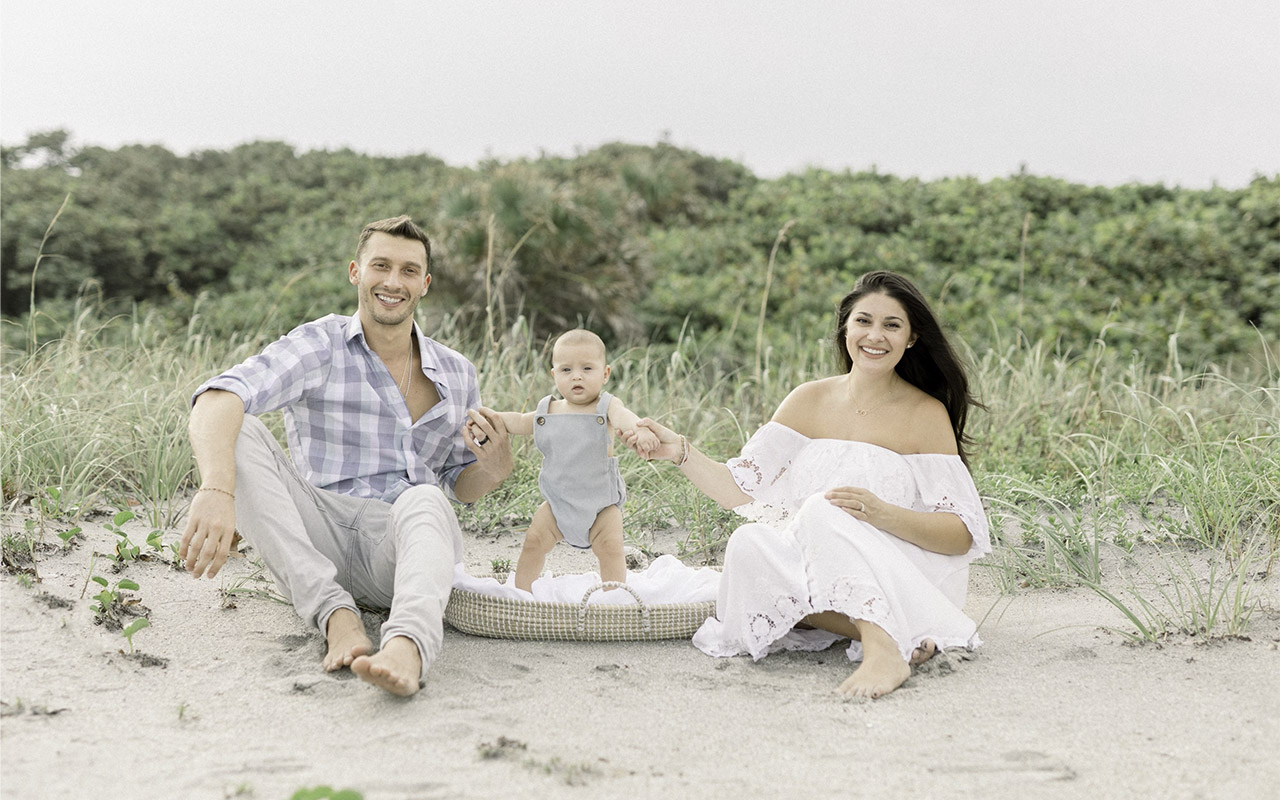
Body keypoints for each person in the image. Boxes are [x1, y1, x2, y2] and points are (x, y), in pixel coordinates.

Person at [179, 215, 512, 697]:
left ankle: (407, 646)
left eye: (408, 271)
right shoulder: (319, 344)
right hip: (320, 532)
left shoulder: (457, 372)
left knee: (425, 497)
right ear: (356, 272)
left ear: (425, 283)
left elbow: (459, 482)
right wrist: (216, 488)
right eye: (381, 265)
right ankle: (336, 614)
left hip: (396, 547)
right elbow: (218, 397)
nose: (393, 282)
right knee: (240, 428)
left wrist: (493, 471)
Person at [623, 270, 990, 700]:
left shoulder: (925, 414)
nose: (875, 336)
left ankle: (880, 649)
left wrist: (881, 513)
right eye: (863, 321)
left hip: (902, 569)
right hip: (821, 569)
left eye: (892, 325)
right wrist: (680, 451)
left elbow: (962, 535)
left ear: (910, 339)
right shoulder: (808, 400)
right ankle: (899, 635)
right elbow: (738, 488)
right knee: (749, 545)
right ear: (846, 328)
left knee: (820, 510)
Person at [468, 329, 659, 591]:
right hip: (557, 505)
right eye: (566, 370)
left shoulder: (606, 407)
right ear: (554, 374)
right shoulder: (549, 410)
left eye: (587, 368)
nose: (576, 375)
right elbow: (520, 421)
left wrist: (641, 429)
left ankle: (614, 599)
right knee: (533, 542)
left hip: (601, 506)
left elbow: (625, 416)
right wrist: (491, 419)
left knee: (611, 549)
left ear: (605, 374)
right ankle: (521, 594)